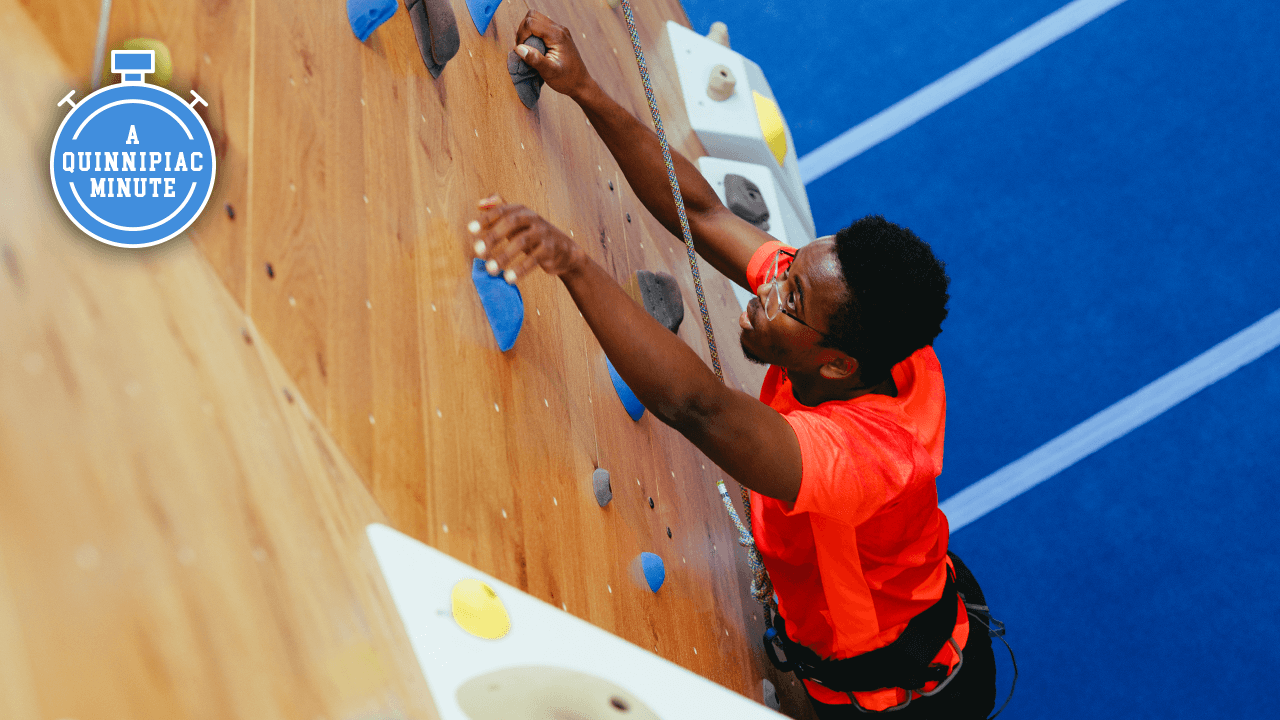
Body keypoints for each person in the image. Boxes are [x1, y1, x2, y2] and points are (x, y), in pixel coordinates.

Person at [469, 11, 999, 718]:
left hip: (891, 699)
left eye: (789, 297)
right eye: (786, 273)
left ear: (839, 365)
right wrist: (586, 89)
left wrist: (573, 263)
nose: (763, 290)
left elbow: (700, 407)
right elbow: (702, 210)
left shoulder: (865, 460)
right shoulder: (862, 333)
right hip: (917, 605)